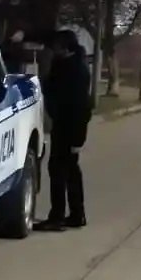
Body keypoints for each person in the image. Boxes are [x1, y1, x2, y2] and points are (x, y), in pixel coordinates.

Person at [35, 29, 92, 231]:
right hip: (61, 125)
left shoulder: (77, 70)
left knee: (60, 171)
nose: (54, 50)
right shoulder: (65, 64)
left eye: (57, 47)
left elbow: (82, 107)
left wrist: (78, 139)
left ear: (66, 47)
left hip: (70, 128)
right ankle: (76, 214)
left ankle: (58, 216)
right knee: (68, 171)